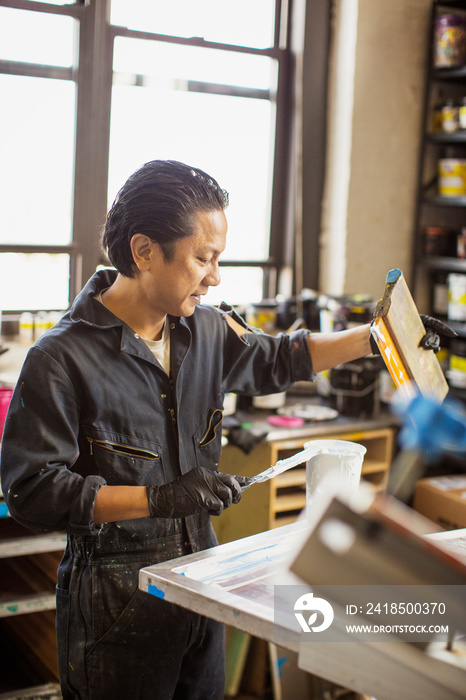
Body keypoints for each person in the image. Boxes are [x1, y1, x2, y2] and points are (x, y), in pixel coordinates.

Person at [0, 160, 448, 700]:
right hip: (115, 606)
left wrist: (380, 336)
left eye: (219, 260)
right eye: (202, 259)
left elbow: (278, 358)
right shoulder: (59, 359)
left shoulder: (203, 328)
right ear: (144, 251)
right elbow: (33, 492)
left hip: (199, 580)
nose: (214, 277)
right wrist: (156, 498)